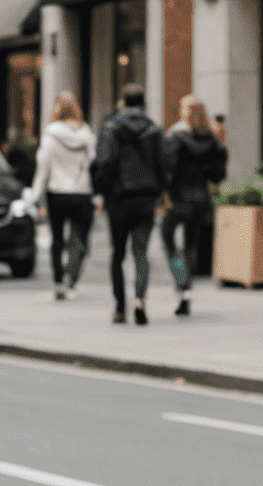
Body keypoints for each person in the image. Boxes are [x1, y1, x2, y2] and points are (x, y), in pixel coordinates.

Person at [91, 83, 165, 325]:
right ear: (143, 102)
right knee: (141, 252)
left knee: (118, 254)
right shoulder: (154, 129)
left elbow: (103, 162)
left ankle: (119, 307)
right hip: (146, 198)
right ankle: (140, 301)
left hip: (119, 199)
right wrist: (162, 193)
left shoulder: (110, 128)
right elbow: (163, 164)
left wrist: (100, 192)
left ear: (122, 101)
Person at [160, 94, 227, 317]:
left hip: (179, 199)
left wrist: (165, 194)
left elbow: (166, 167)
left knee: (169, 241)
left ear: (184, 112)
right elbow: (218, 175)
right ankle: (187, 290)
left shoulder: (175, 136)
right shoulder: (211, 139)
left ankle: (182, 284)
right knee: (191, 246)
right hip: (201, 200)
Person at [30, 92, 96, 300]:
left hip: (57, 193)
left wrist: (34, 195)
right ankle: (71, 275)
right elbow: (95, 164)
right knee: (80, 240)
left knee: (57, 240)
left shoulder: (51, 134)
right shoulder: (87, 134)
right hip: (82, 193)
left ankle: (59, 282)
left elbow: (43, 166)